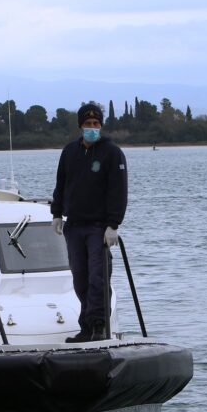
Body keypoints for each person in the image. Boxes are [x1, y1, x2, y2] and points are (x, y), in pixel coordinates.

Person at [51, 102, 128, 342]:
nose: (92, 128)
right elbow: (61, 184)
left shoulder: (112, 153)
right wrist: (56, 213)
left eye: (96, 124)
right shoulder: (69, 152)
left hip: (99, 228)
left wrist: (113, 225)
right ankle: (86, 326)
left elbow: (119, 191)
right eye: (87, 124)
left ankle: (99, 325)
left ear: (101, 126)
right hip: (74, 226)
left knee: (98, 277)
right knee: (80, 278)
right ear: (80, 126)